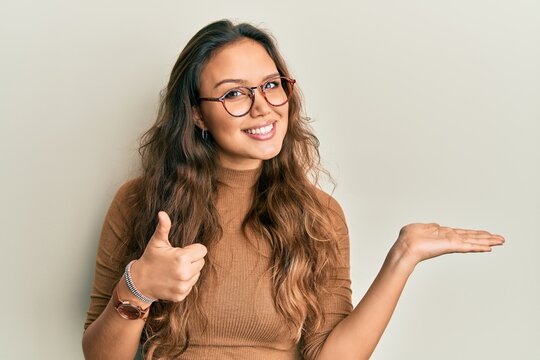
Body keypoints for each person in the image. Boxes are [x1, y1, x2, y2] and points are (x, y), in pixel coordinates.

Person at [81, 19, 506, 360]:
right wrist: (137, 287)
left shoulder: (318, 213)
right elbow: (99, 356)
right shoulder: (140, 202)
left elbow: (332, 356)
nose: (263, 106)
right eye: (234, 94)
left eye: (271, 84)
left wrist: (403, 256)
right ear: (197, 115)